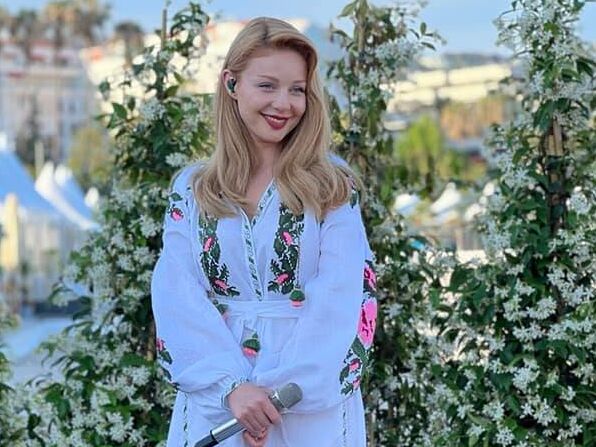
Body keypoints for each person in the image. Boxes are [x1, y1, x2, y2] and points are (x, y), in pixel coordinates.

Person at [151, 17, 377, 447]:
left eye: (297, 90)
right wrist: (233, 389)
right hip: (219, 404)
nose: (284, 103)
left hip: (310, 404)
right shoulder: (193, 189)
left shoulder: (332, 184)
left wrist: (275, 398)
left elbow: (345, 291)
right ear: (231, 84)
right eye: (267, 86)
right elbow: (175, 292)